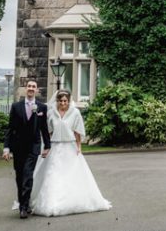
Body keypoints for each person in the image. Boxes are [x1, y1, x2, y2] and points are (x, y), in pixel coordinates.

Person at [29, 89, 112, 217]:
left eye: (65, 101)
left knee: (71, 173)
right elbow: (48, 131)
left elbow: (77, 131)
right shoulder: (51, 113)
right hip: (55, 147)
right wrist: (47, 146)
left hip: (70, 146)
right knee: (53, 174)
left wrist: (79, 146)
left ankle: (73, 200)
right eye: (61, 101)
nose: (63, 103)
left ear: (69, 101)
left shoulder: (75, 113)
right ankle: (51, 201)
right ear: (57, 101)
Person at [3, 79, 51, 219]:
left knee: (28, 176)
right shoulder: (16, 106)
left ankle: (23, 208)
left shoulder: (42, 107)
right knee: (19, 177)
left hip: (33, 147)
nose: (31, 88)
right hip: (18, 147)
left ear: (37, 90)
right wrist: (6, 148)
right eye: (29, 86)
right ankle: (24, 202)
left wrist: (47, 146)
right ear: (25, 89)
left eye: (33, 86)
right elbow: (10, 129)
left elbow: (44, 128)